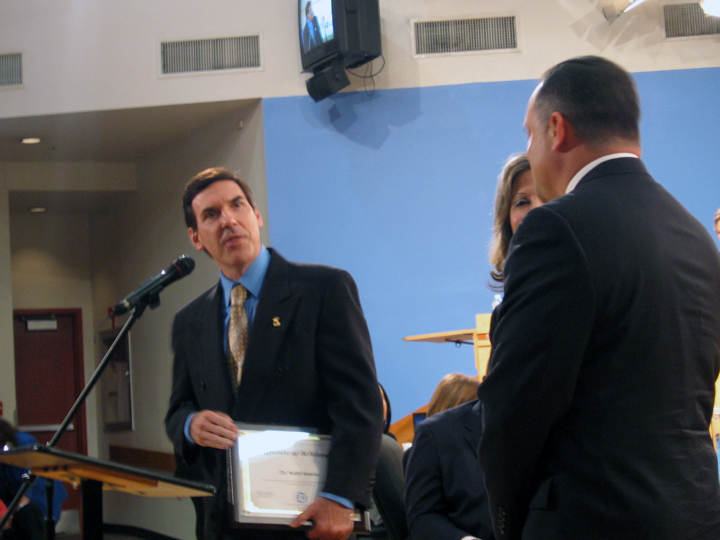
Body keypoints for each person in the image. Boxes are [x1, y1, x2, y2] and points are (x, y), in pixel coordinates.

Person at [477, 55, 720, 540]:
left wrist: (509, 521)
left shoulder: (556, 228)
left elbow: (513, 410)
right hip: (695, 513)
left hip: (592, 518)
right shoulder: (696, 237)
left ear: (556, 129)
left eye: (529, 134)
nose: (529, 147)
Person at [165, 167, 383, 540]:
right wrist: (190, 424)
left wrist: (341, 497)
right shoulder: (190, 321)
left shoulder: (323, 289)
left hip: (308, 517)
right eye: (211, 214)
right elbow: (178, 408)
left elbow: (359, 404)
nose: (228, 220)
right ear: (196, 238)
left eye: (237, 206)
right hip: (225, 522)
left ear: (257, 215)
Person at [0, 419, 68, 540]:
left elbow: (29, 484)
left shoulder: (24, 443)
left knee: (33, 527)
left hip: (38, 495)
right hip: (13, 498)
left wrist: (9, 513)